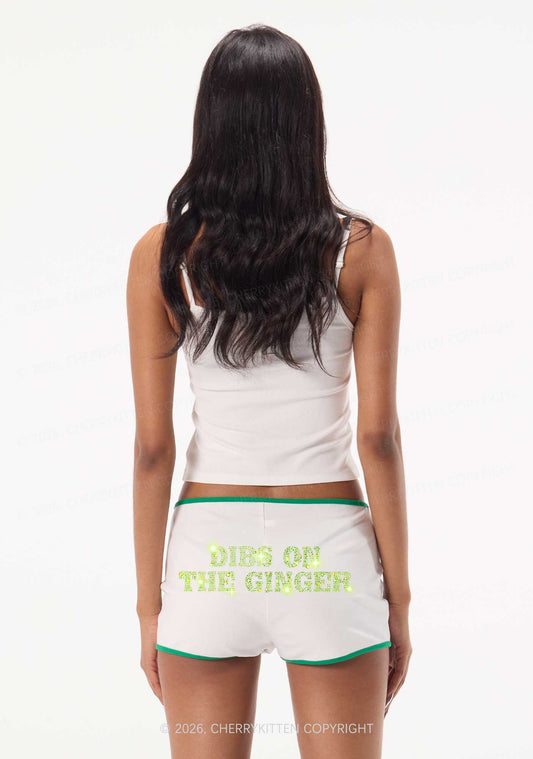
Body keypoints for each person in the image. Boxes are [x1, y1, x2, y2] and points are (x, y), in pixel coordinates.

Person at [126, 23, 411, 759]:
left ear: (210, 125)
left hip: (207, 556)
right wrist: (399, 600)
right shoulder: (361, 251)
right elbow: (377, 438)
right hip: (327, 555)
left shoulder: (161, 255)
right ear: (306, 124)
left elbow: (153, 448)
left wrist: (150, 607)